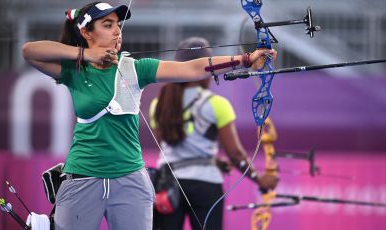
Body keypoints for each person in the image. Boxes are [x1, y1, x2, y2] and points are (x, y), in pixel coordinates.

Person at [21, 2, 277, 230]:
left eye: (118, 25)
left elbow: (192, 67)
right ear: (86, 32)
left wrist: (245, 59)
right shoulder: (73, 70)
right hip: (82, 176)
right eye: (107, 25)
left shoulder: (135, 68)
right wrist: (84, 54)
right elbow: (30, 51)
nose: (117, 31)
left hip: (130, 180)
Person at [149, 37, 279, 230]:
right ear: (207, 68)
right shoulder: (217, 104)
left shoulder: (158, 104)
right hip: (205, 184)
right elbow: (235, 154)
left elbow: (168, 146)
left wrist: (212, 160)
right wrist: (259, 179)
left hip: (167, 184)